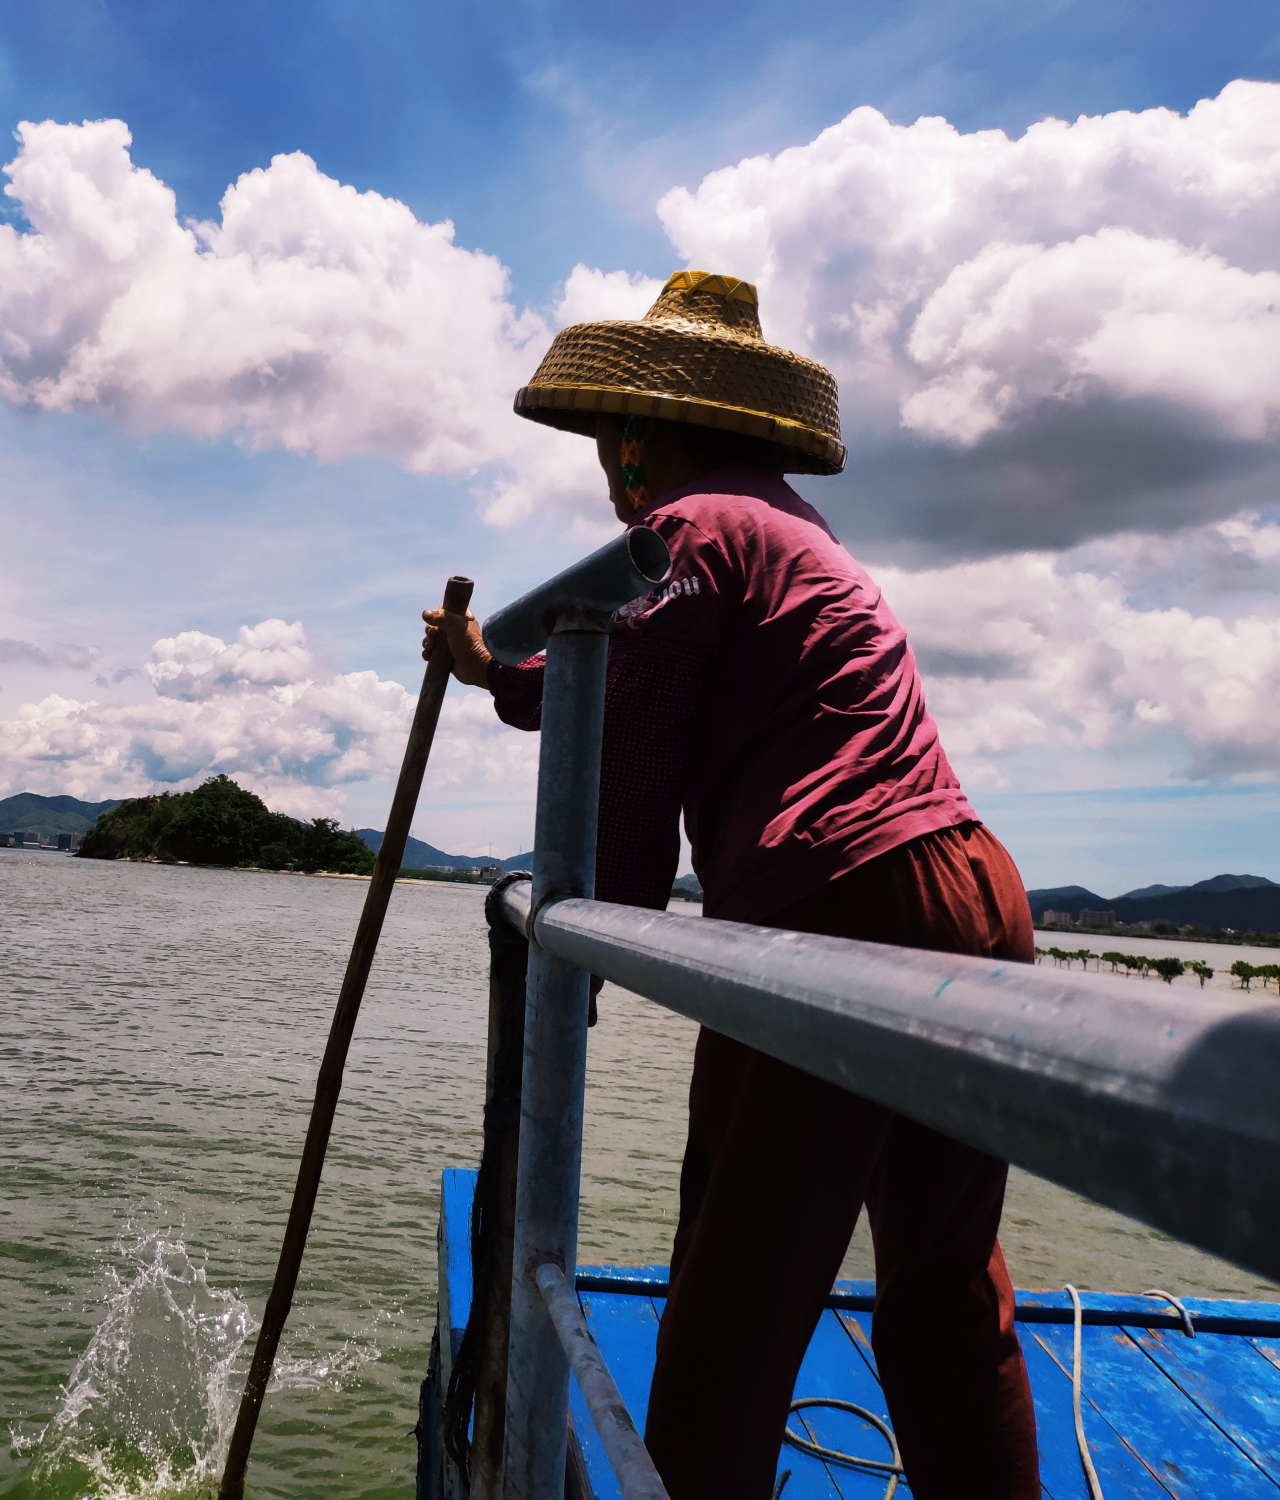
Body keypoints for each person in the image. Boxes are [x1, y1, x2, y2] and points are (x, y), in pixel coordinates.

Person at [423, 271, 1042, 1498]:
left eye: (609, 442)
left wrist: (588, 945)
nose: (607, 469)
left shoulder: (688, 531)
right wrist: (497, 673)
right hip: (971, 885)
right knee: (940, 1279)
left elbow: (634, 743)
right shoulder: (784, 529)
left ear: (638, 435)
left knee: (737, 1288)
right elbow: (632, 678)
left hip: (836, 896)